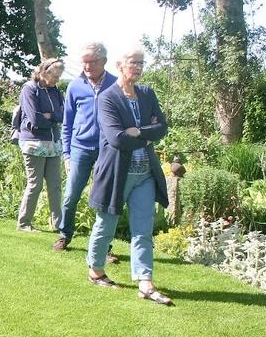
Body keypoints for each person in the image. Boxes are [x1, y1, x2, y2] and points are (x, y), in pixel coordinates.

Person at [87, 47, 173, 305]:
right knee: (106, 224)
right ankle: (96, 270)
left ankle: (145, 282)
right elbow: (116, 139)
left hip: (145, 173)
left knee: (143, 229)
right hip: (117, 173)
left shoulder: (147, 94)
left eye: (141, 63)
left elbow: (162, 128)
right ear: (120, 65)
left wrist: (138, 131)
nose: (137, 67)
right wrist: (144, 134)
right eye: (132, 62)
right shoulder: (108, 97)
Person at [53, 43, 119, 265]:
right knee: (71, 195)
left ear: (103, 61)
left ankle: (104, 247)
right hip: (80, 148)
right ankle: (64, 235)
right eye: (84, 62)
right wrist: (67, 154)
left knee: (103, 200)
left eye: (92, 62)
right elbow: (67, 123)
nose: (87, 66)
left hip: (106, 149)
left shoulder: (115, 84)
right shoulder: (75, 86)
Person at [17, 57, 65, 231]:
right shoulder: (29, 89)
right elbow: (35, 119)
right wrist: (52, 117)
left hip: (53, 142)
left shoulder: (55, 91)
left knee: (55, 185)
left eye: (59, 76)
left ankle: (58, 225)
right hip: (33, 142)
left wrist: (50, 116)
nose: (57, 80)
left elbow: (63, 115)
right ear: (44, 72)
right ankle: (24, 223)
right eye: (55, 76)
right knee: (35, 184)